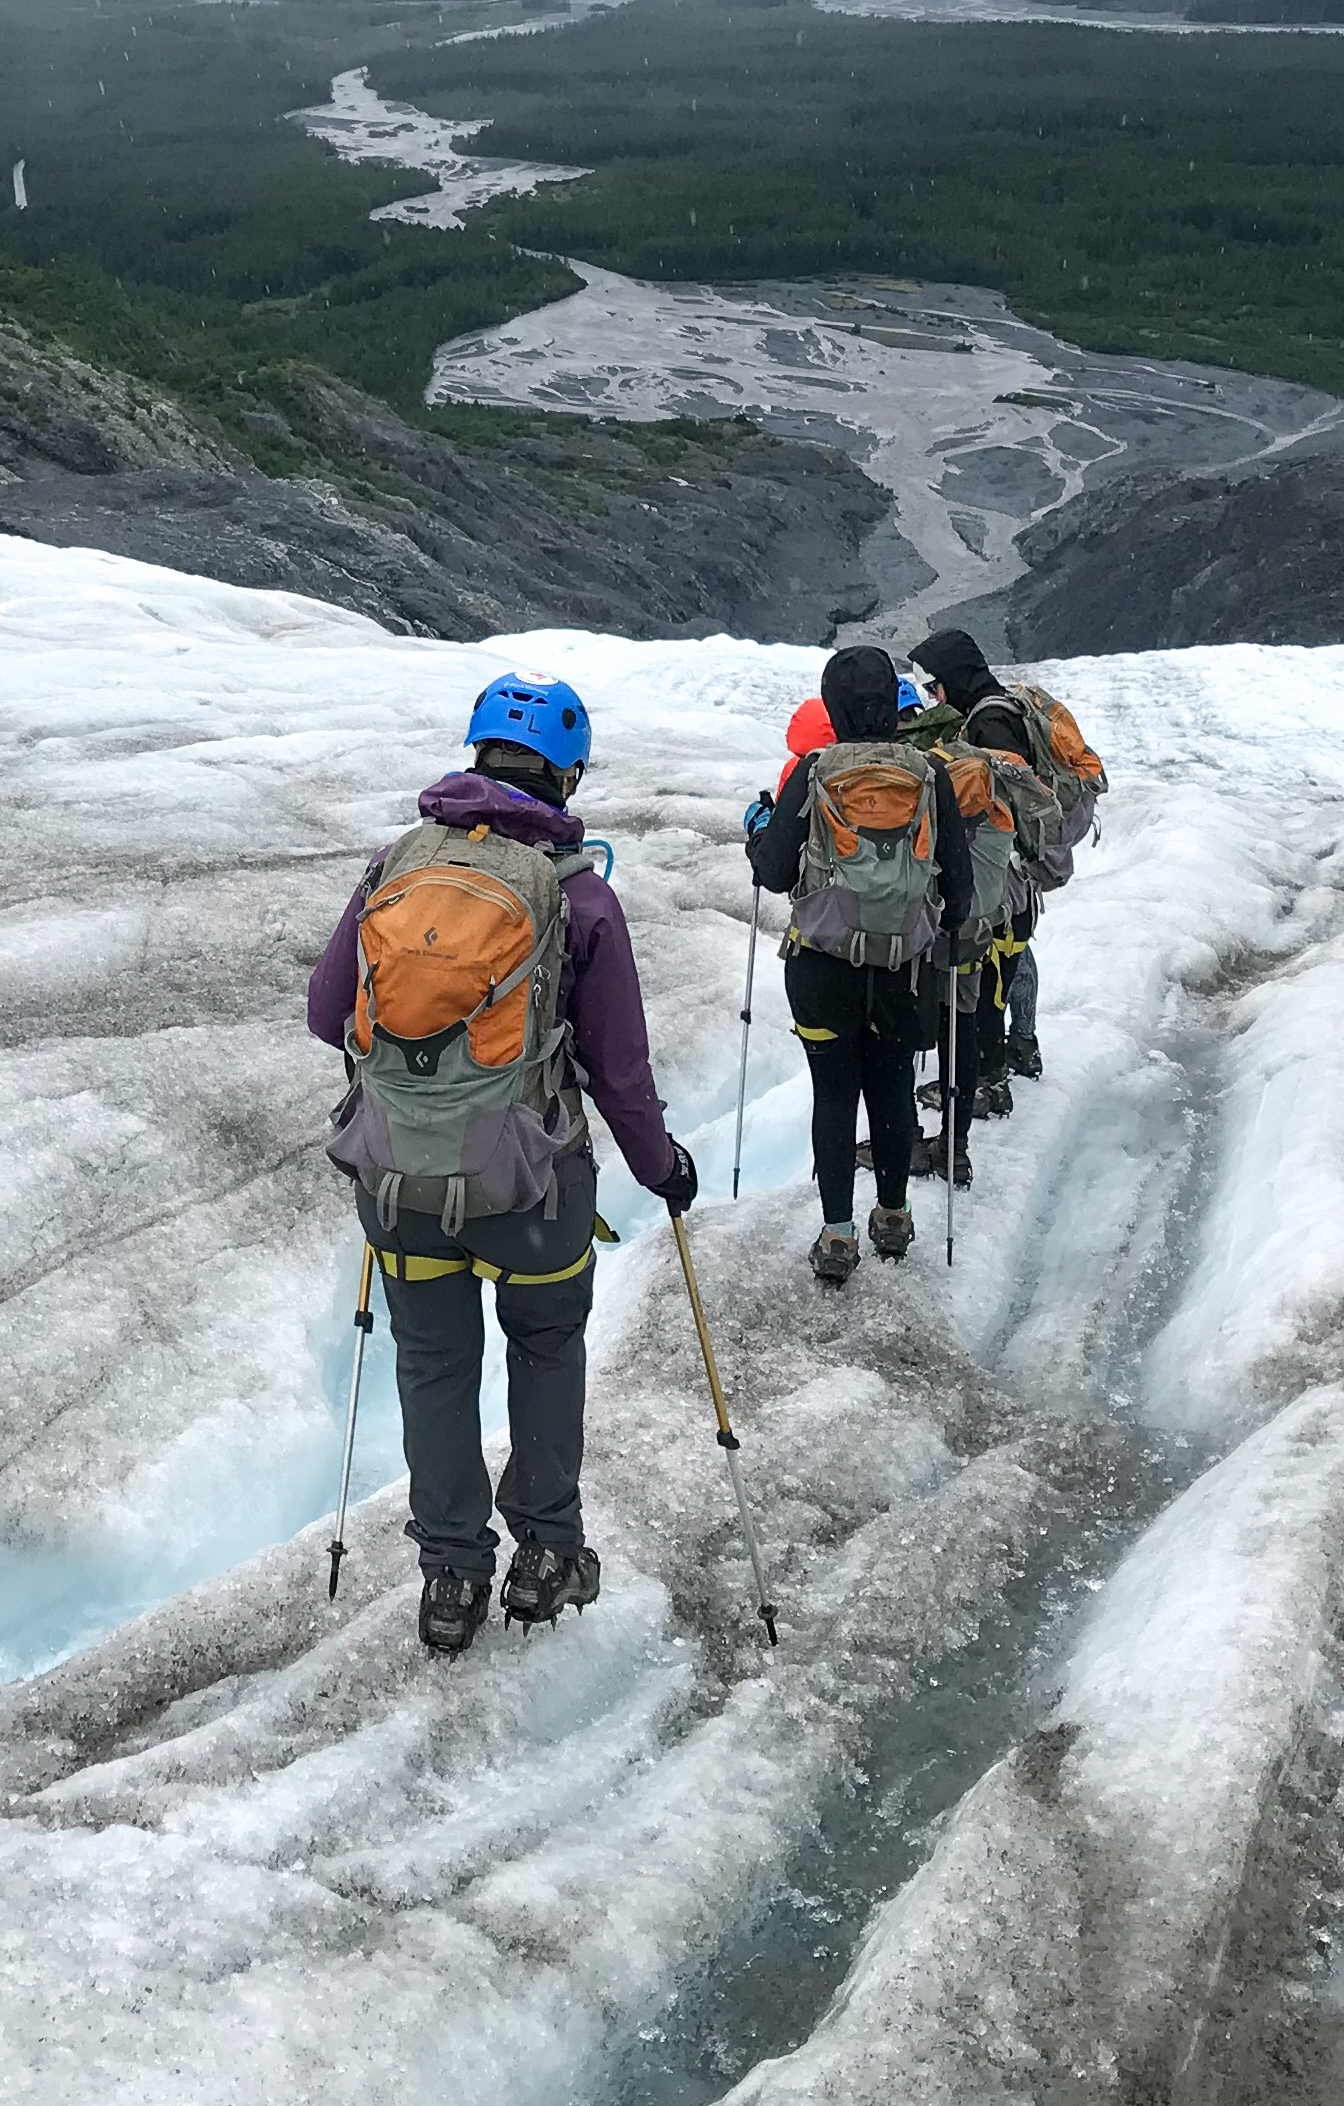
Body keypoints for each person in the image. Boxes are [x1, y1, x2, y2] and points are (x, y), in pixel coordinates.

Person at [309, 673, 696, 1656]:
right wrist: (662, 1169)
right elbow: (619, 1068)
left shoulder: (393, 866)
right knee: (544, 1348)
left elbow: (326, 1013)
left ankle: (451, 1576)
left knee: (435, 1366)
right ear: (566, 773)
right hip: (533, 1184)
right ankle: (547, 1553)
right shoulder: (580, 895)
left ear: (475, 754)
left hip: (398, 1179)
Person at [747, 647, 996, 1286]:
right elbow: (960, 893)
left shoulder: (813, 770)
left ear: (833, 706)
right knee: (889, 1088)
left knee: (834, 1095)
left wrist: (759, 829)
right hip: (903, 973)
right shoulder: (930, 775)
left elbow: (773, 871)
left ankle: (836, 1235)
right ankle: (894, 1215)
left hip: (822, 967)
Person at [907, 628, 1106, 1108]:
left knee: (986, 980)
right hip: (1019, 876)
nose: (933, 698)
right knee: (1001, 971)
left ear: (952, 678)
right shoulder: (1001, 706)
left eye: (935, 687)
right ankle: (1003, 1061)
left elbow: (1008, 803)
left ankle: (985, 1083)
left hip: (1005, 876)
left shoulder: (989, 725)